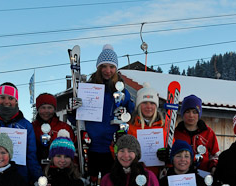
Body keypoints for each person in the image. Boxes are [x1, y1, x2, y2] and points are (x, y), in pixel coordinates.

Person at [70, 44, 134, 178]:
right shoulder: (88, 88)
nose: (107, 70)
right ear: (98, 68)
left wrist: (128, 112)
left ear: (116, 69)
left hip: (113, 147)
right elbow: (76, 119)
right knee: (91, 183)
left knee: (112, 184)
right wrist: (72, 109)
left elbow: (133, 115)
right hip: (91, 146)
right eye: (104, 66)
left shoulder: (122, 91)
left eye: (111, 67)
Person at [0, 82, 43, 183]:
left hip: (18, 179)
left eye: (10, 98)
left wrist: (38, 179)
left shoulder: (26, 126)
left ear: (16, 100)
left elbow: (31, 156)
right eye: (2, 97)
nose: (6, 101)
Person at [173, 94, 219, 175]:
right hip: (180, 176)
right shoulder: (175, 133)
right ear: (183, 113)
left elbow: (215, 154)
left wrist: (214, 166)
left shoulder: (208, 133)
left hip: (203, 175)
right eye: (187, 111)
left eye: (194, 112)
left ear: (199, 114)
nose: (191, 115)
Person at [127, 82, 166, 177]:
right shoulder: (130, 128)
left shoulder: (164, 128)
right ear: (138, 106)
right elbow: (117, 153)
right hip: (134, 175)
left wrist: (168, 156)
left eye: (152, 103)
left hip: (157, 176)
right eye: (144, 103)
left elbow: (175, 154)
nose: (148, 107)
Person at [31, 92, 76, 165]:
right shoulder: (31, 127)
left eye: (49, 108)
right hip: (36, 167)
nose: (46, 111)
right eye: (43, 108)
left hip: (60, 168)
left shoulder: (65, 128)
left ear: (54, 109)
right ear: (38, 109)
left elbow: (72, 151)